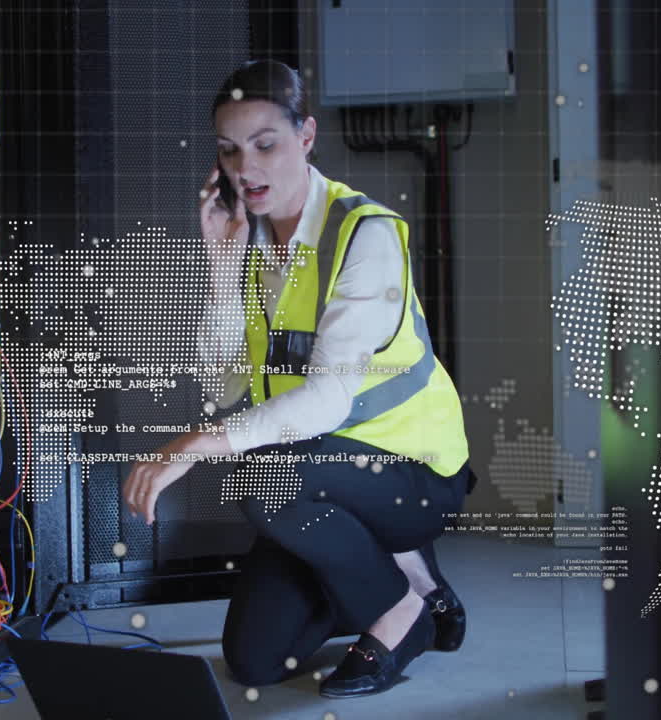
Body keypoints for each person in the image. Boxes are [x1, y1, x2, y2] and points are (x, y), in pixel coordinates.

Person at [121, 59, 475, 698]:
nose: (244, 168)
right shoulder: (247, 241)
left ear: (306, 136)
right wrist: (221, 269)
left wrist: (190, 446)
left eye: (265, 144)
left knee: (263, 475)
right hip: (319, 475)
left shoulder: (365, 234)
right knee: (254, 660)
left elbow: (327, 400)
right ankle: (405, 578)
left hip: (412, 472)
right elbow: (225, 390)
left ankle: (401, 612)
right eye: (229, 149)